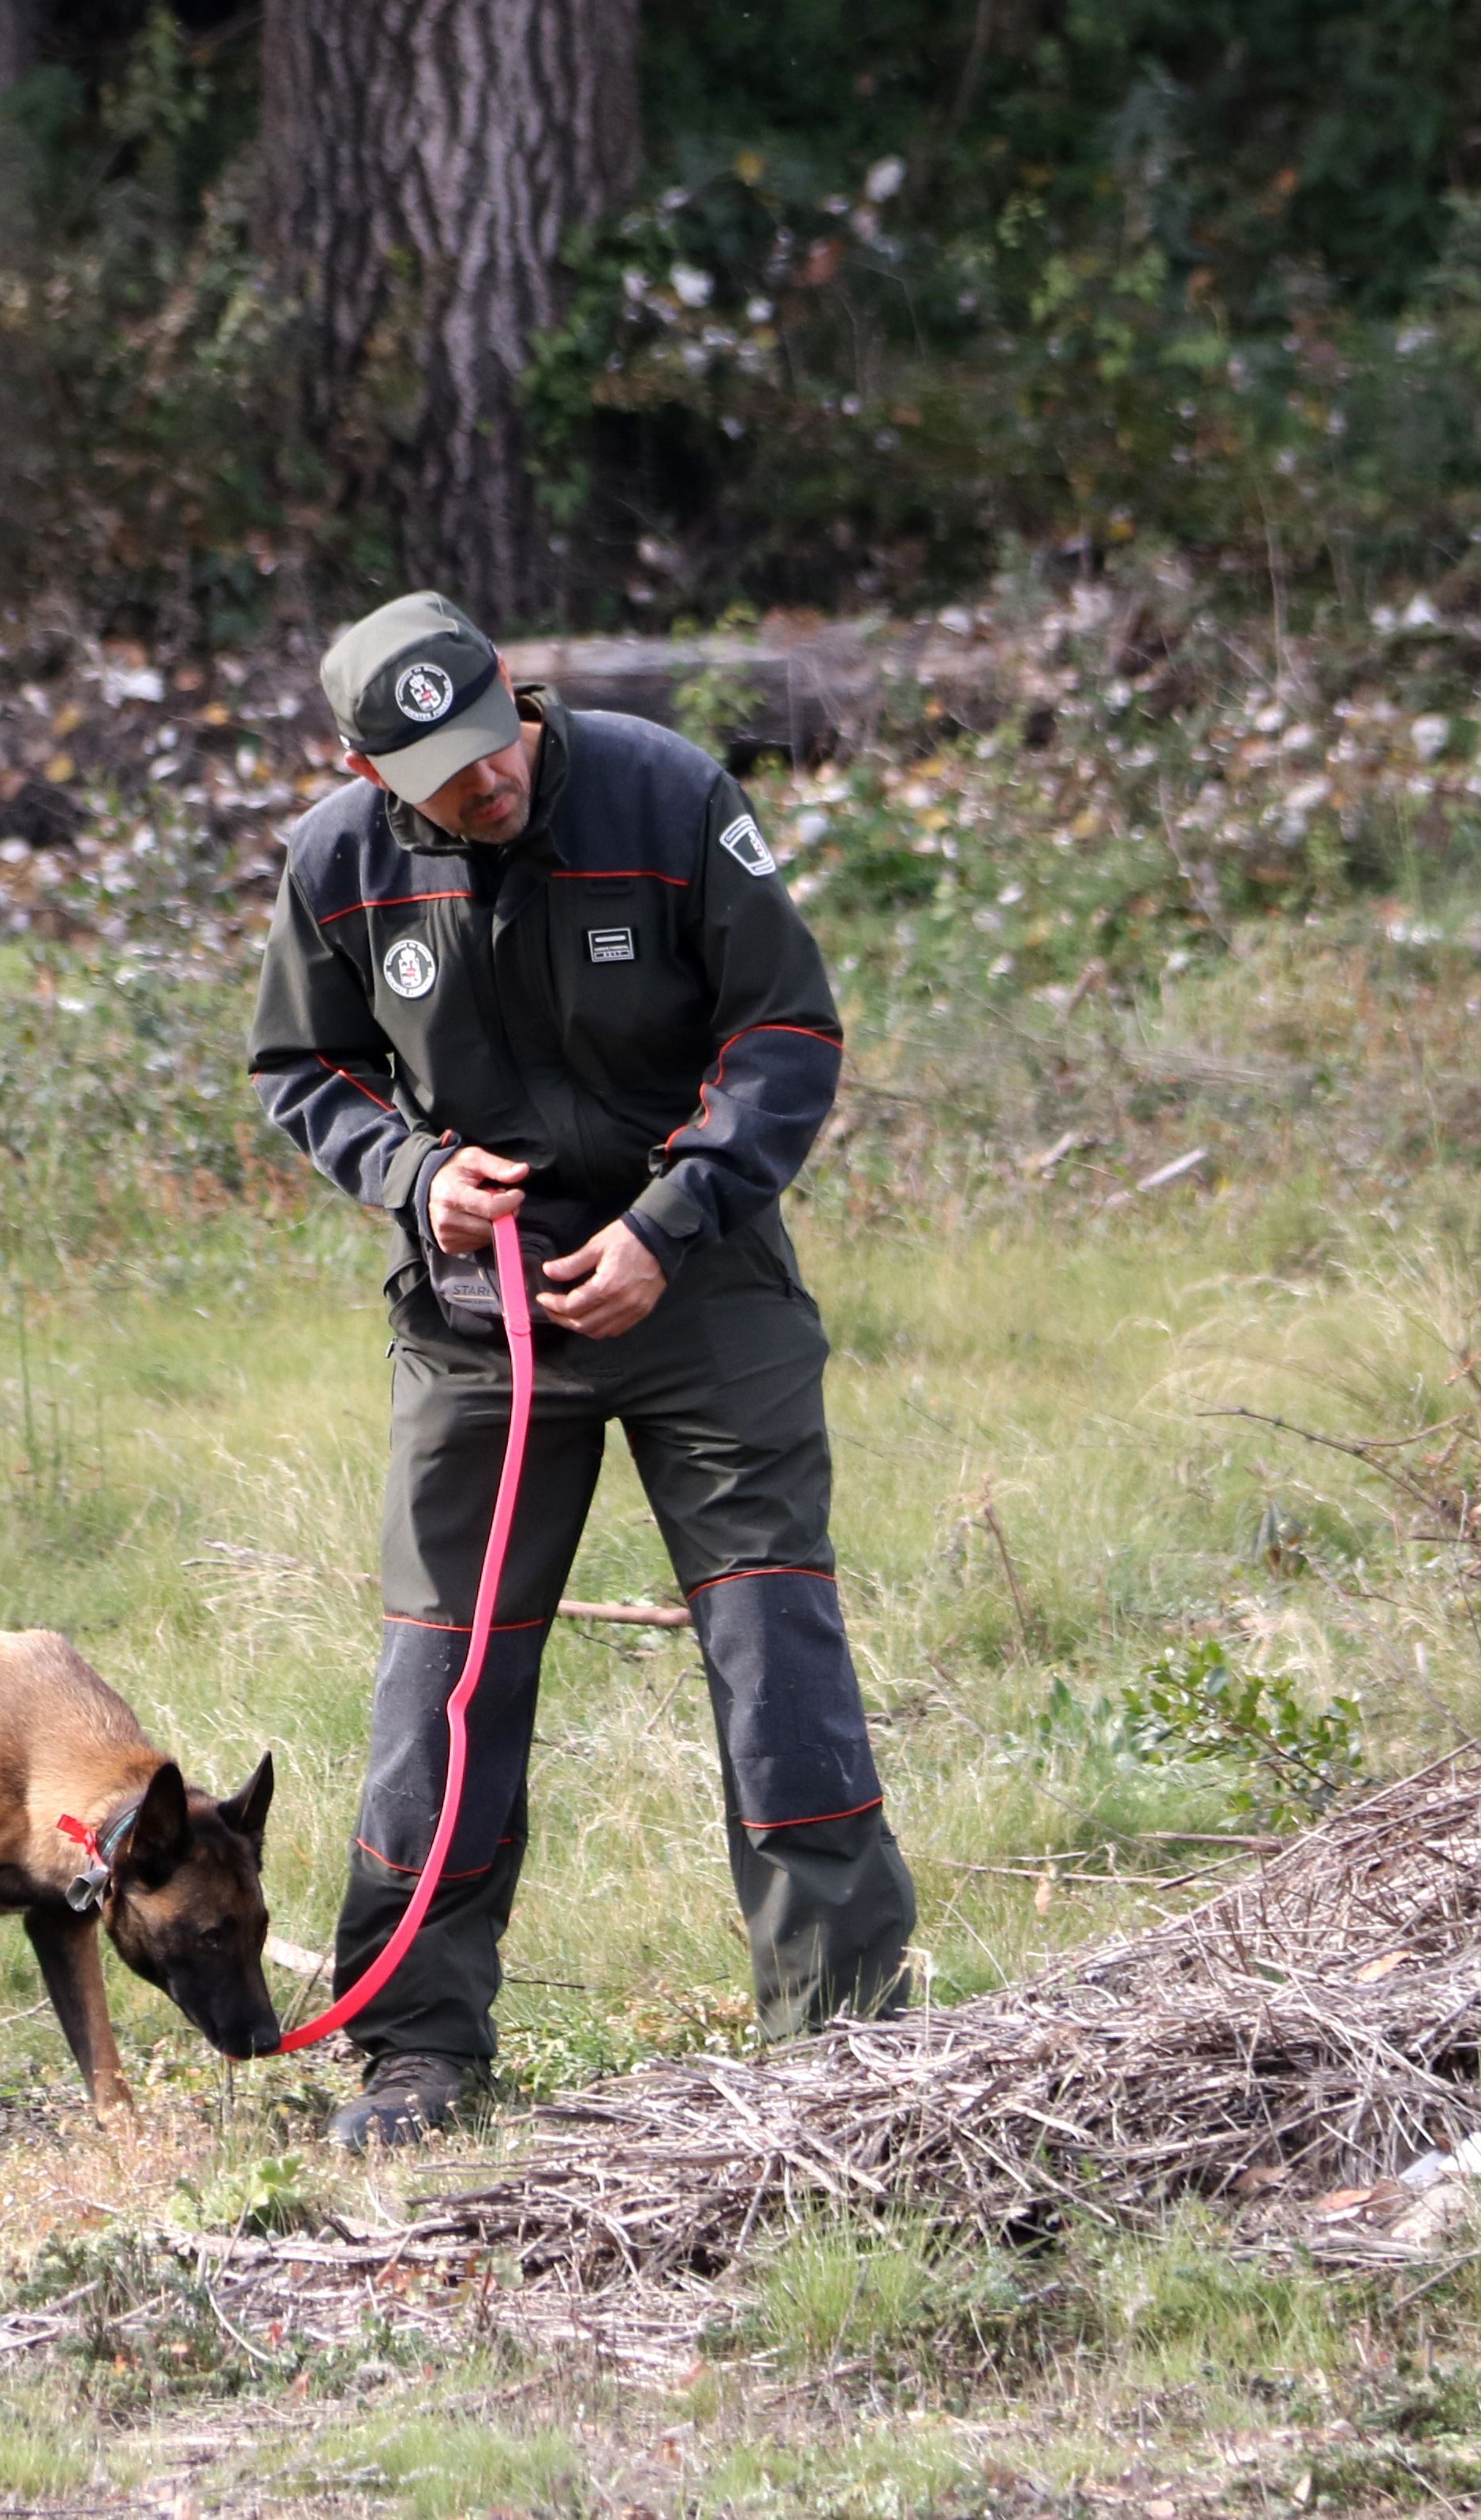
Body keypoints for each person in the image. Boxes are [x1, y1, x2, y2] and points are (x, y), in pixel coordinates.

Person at [251, 591, 917, 2151]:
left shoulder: (664, 792)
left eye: (494, 749)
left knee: (775, 1652)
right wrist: (415, 1174)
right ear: (360, 767)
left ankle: (838, 2040)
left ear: (517, 696)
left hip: (698, 1290)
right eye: (439, 774)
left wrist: (668, 1222)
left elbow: (784, 1029)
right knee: (444, 1680)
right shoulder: (334, 864)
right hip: (477, 1322)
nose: (484, 787)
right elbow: (305, 1067)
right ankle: (414, 2047)